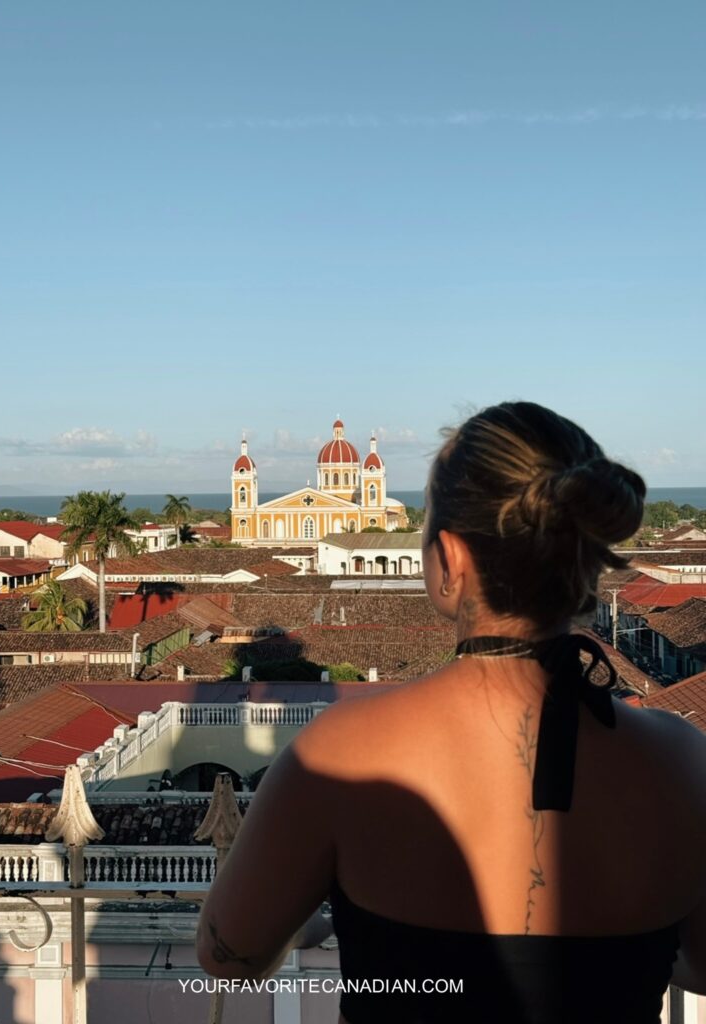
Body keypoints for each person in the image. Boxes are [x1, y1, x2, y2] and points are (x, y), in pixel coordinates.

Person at [196, 401, 706, 1022]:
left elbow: (230, 955)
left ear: (450, 562)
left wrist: (329, 914)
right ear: (586, 563)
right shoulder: (682, 759)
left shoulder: (341, 753)